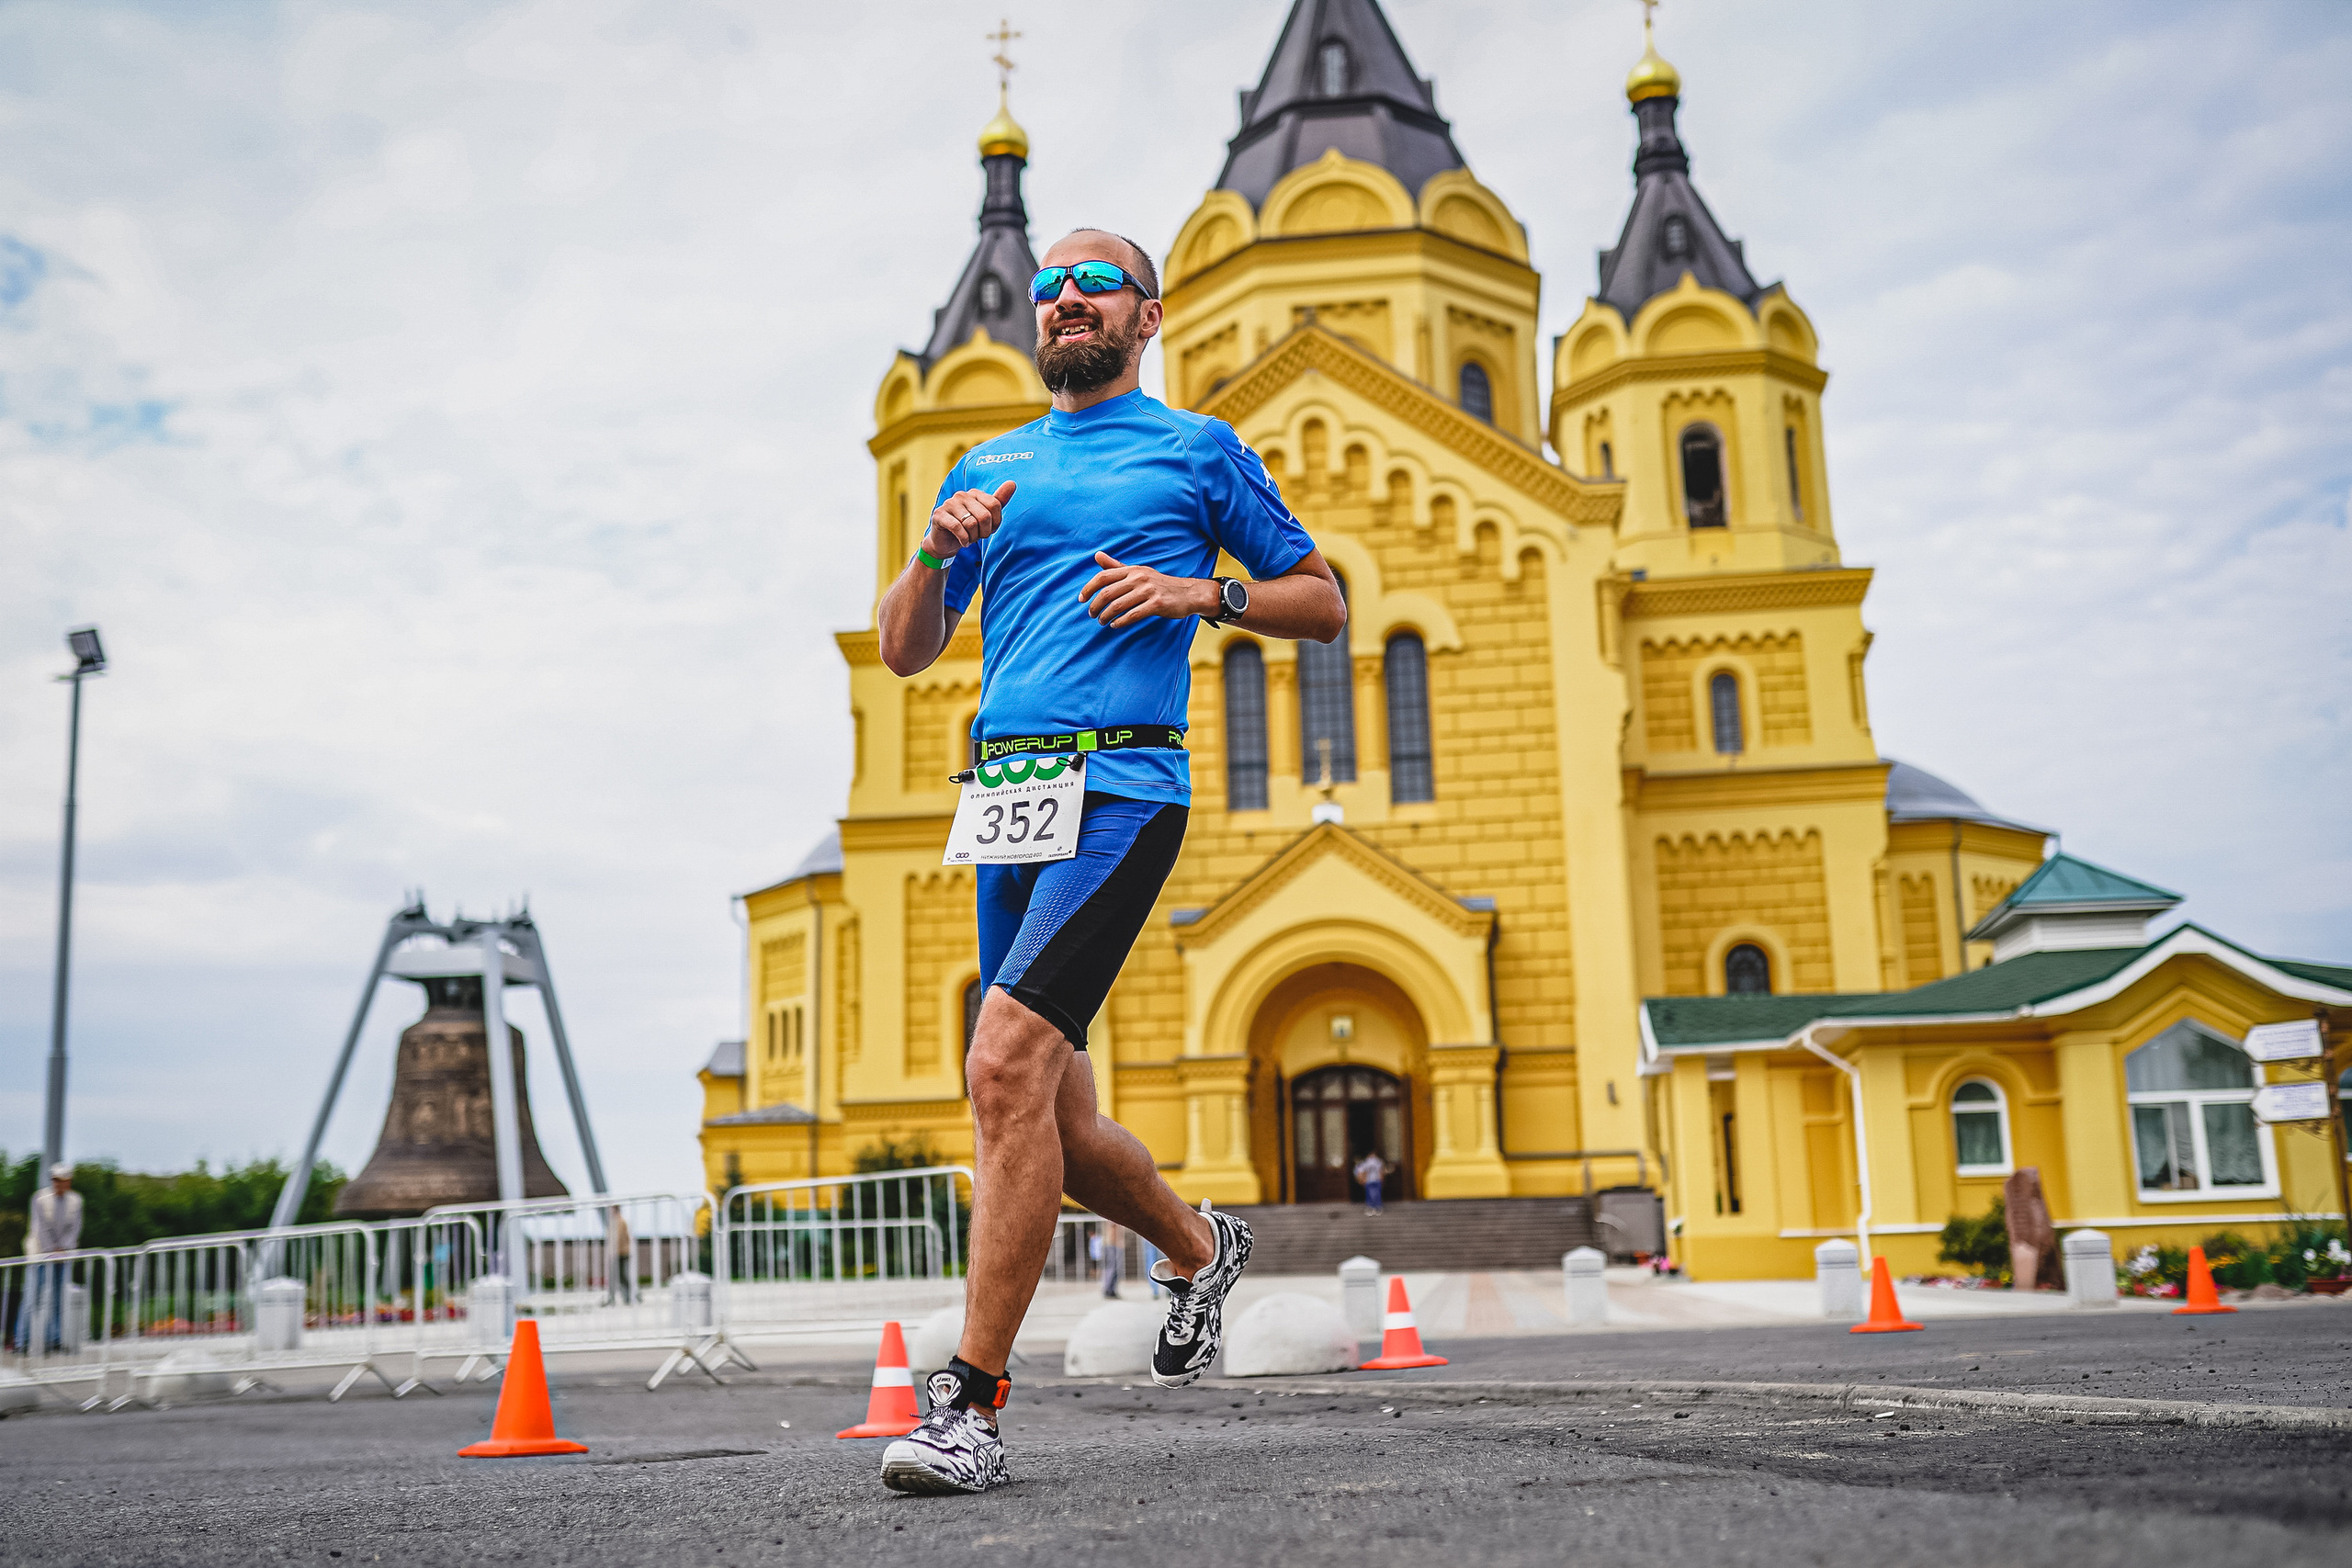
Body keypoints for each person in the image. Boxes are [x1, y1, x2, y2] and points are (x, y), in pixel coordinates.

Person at [873, 228, 1346, 1495]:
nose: (1064, 295)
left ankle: (967, 1406)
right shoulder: (991, 464)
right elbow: (904, 649)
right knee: (1058, 1126)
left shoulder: (1195, 449)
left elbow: (1324, 596)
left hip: (1126, 780)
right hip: (1006, 795)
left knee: (1001, 1059)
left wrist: (1202, 597)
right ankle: (1199, 1243)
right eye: (1050, 285)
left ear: (1146, 316)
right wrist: (932, 546)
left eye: (1093, 282)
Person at [17, 1163, 84, 1354]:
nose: (58, 1184)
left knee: (58, 1299)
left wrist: (64, 1249)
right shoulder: (40, 1198)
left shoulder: (76, 1200)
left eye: (62, 1180)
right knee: (32, 1297)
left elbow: (75, 1228)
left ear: (68, 1181)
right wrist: (51, 1250)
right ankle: (22, 1340)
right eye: (55, 1180)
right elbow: (40, 1228)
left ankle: (54, 1339)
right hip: (39, 1254)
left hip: (63, 1255)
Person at [1352, 1151, 1392, 1215]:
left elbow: (1361, 1171)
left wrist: (1362, 1180)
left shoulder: (1365, 1163)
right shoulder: (1379, 1162)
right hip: (1377, 1180)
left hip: (1369, 1181)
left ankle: (1371, 1208)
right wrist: (1382, 1180)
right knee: (1377, 1194)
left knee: (1369, 1195)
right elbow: (1381, 1172)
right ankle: (1378, 1209)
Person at [1095, 1222, 1125, 1299]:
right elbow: (1112, 1229)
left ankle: (1111, 1289)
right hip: (1111, 1245)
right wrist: (1117, 1243)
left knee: (1114, 1269)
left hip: (1112, 1244)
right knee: (1111, 1268)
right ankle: (1108, 1289)